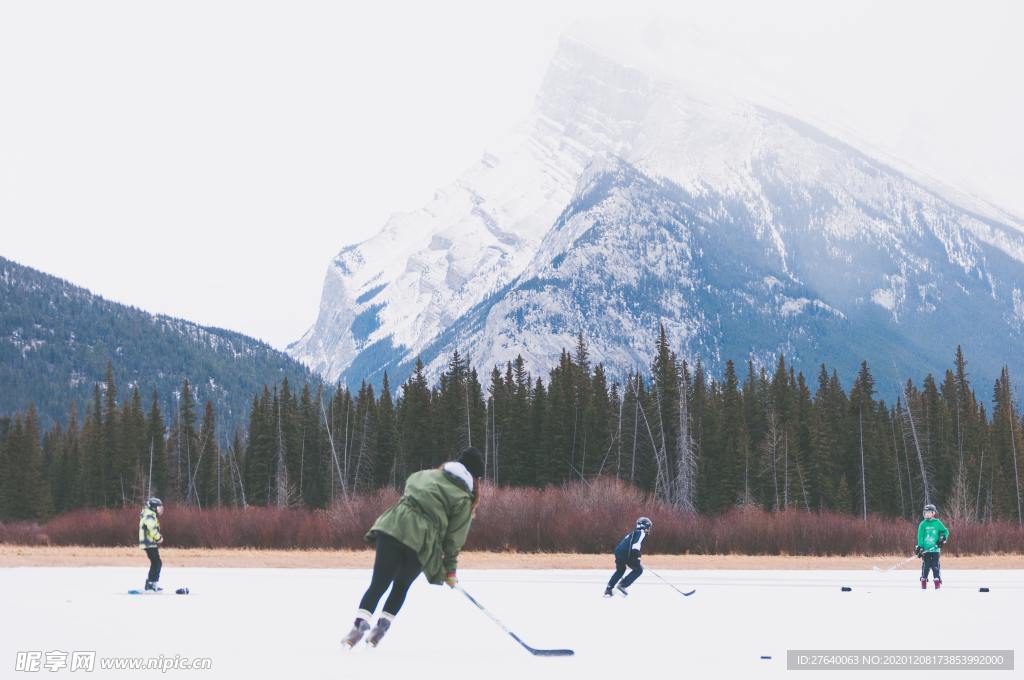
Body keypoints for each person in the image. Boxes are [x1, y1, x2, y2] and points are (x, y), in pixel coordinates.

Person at [342, 446, 485, 648]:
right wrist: (450, 570)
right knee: (401, 586)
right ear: (474, 478)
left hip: (393, 527)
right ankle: (379, 630)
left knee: (379, 584)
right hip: (422, 542)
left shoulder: (426, 475)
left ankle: (357, 629)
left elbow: (410, 484)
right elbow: (454, 539)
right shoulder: (463, 499)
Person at [604, 516, 652, 597]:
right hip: (626, 553)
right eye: (648, 527)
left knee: (620, 570)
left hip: (618, 551)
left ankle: (608, 590)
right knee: (639, 570)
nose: (649, 529)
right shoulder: (641, 533)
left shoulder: (634, 532)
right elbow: (635, 546)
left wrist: (637, 558)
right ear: (645, 526)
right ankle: (622, 585)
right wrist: (637, 558)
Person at [915, 503, 949, 589]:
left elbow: (945, 531)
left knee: (935, 565)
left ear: (933, 513)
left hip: (935, 550)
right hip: (926, 550)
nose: (926, 514)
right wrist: (920, 547)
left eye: (928, 512)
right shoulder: (923, 524)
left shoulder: (937, 523)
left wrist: (942, 539)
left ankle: (937, 581)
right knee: (926, 565)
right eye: (925, 512)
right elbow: (920, 536)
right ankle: (923, 580)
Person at [139, 497, 164, 592]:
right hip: (148, 543)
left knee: (156, 562)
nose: (160, 510)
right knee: (157, 562)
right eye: (158, 507)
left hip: (150, 543)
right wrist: (158, 538)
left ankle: (152, 583)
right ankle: (151, 583)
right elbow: (152, 529)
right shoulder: (149, 516)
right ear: (153, 507)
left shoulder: (150, 515)